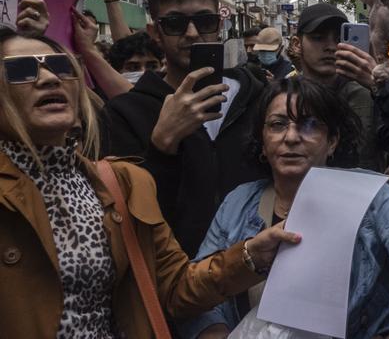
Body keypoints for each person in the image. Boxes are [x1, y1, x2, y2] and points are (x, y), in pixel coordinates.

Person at [0, 27, 299, 338]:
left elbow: (175, 288)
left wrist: (249, 257)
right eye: (21, 69)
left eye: (61, 66)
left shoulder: (124, 183)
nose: (49, 78)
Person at [181, 76, 389, 339]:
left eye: (309, 125)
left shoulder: (369, 197)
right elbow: (200, 287)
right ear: (262, 142)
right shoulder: (238, 203)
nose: (291, 137)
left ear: (332, 141)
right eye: (278, 125)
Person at [101, 0, 267, 256]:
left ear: (219, 24)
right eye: (176, 23)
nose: (192, 33)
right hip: (173, 271)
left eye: (205, 21)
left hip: (256, 264)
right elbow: (123, 213)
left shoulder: (260, 97)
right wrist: (162, 146)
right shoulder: (125, 113)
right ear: (155, 32)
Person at [290, 3, 389, 172]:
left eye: (338, 39)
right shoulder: (283, 98)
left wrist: (381, 87)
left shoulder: (367, 98)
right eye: (318, 38)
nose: (330, 46)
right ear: (297, 44)